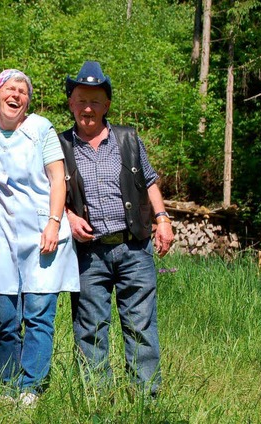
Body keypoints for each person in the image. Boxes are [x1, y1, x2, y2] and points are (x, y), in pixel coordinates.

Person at [59, 61, 174, 398]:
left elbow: (149, 181)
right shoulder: (60, 145)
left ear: (106, 105)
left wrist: (163, 218)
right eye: (80, 100)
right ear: (71, 104)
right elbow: (49, 191)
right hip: (88, 253)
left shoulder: (128, 138)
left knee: (140, 326)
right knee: (90, 329)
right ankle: (96, 399)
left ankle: (145, 401)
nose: (87, 108)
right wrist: (66, 215)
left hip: (134, 248)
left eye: (95, 100)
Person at [0, 69, 80, 408]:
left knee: (38, 314)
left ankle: (30, 387)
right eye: (10, 88)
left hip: (41, 232)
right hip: (0, 236)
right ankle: (8, 384)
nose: (17, 95)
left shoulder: (40, 128)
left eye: (23, 91)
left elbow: (58, 179)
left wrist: (54, 222)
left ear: (27, 101)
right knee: (6, 317)